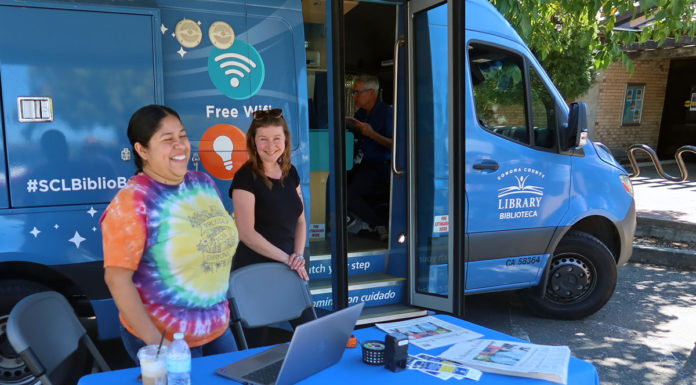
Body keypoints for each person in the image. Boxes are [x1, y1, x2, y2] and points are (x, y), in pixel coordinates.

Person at [101, 104, 239, 364]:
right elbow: (117, 280)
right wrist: (158, 345)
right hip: (167, 338)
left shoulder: (203, 183)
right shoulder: (132, 202)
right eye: (167, 139)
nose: (180, 145)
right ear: (142, 150)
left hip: (218, 326)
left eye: (182, 136)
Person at [228, 108, 310, 347]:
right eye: (263, 138)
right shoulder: (245, 177)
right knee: (255, 344)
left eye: (277, 138)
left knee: (310, 334)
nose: (270, 145)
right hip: (254, 272)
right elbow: (247, 234)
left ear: (286, 140)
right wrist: (288, 259)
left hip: (288, 267)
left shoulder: (290, 172)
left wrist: (298, 255)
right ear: (253, 141)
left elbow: (301, 220)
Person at [346, 74, 394, 241]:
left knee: (349, 195)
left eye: (358, 92)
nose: (354, 96)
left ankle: (379, 225)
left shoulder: (387, 113)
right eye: (354, 92)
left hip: (380, 166)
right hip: (360, 164)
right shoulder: (360, 113)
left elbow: (396, 145)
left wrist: (372, 134)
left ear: (372, 93)